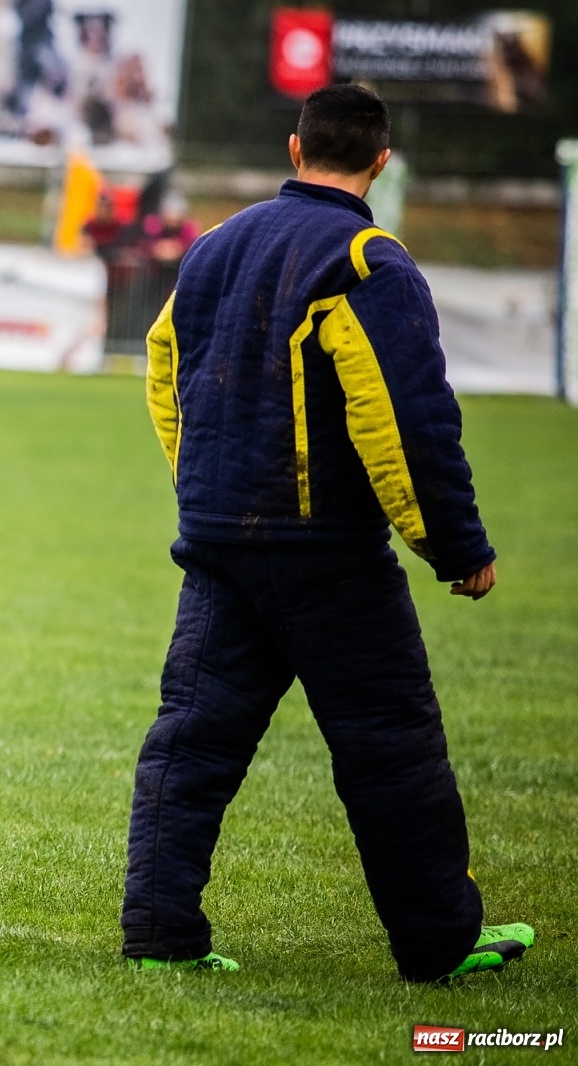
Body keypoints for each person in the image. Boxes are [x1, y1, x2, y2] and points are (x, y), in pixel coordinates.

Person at [122, 84, 534, 982]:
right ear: (379, 162)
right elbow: (408, 419)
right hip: (327, 556)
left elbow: (165, 370)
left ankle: (159, 937)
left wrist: (206, 490)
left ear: (295, 146)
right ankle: (440, 943)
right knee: (392, 749)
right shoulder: (367, 260)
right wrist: (454, 547)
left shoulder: (214, 249)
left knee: (188, 748)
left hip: (221, 543)